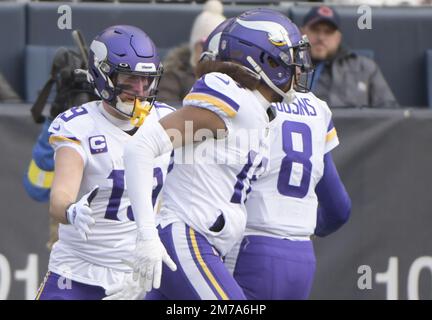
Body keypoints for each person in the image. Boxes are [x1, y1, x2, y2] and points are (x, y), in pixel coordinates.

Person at [106, 8, 327, 301]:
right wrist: (146, 237)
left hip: (207, 242)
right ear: (264, 59)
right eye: (290, 58)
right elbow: (140, 148)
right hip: (186, 237)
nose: (298, 69)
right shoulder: (230, 94)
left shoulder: (258, 109)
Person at [35, 25, 175, 300]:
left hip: (138, 273)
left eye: (146, 80)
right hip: (78, 272)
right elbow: (59, 198)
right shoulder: (80, 125)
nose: (140, 89)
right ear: (103, 76)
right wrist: (72, 210)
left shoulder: (166, 119)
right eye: (129, 79)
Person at [223, 20, 352, 298]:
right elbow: (339, 208)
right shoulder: (318, 108)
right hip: (301, 256)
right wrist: (292, 228)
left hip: (248, 248)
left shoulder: (241, 103)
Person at [302, 5, 398, 108]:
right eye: (315, 30)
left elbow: (389, 109)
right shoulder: (290, 66)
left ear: (338, 38)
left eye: (328, 32)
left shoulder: (364, 67)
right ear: (302, 32)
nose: (321, 37)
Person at [157, 0, 226, 105]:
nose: (208, 49)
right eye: (204, 43)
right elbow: (166, 107)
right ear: (194, 45)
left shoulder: (229, 76)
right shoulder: (175, 72)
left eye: (215, 45)